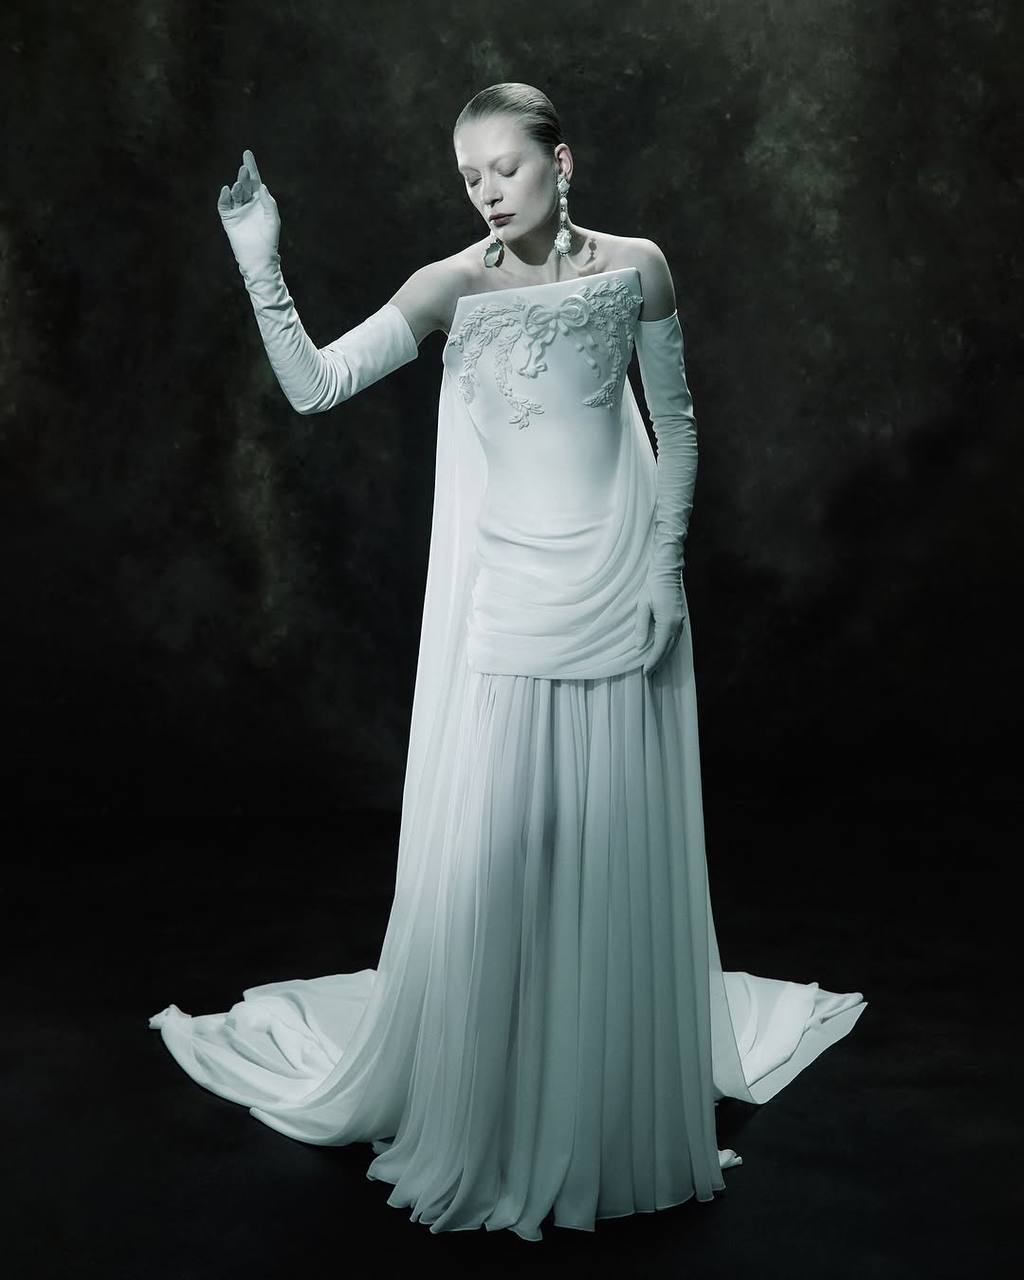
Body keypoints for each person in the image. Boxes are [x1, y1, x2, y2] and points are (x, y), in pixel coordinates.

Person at [149, 83, 867, 1242]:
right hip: (512, 599)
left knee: (610, 839)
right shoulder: (450, 286)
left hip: (618, 583)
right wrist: (258, 259)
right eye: (469, 173)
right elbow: (314, 385)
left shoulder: (637, 267)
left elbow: (676, 422)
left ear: (560, 163)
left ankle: (600, 1103)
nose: (487, 189)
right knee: (509, 848)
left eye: (506, 165)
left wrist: (663, 568)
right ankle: (505, 1102)